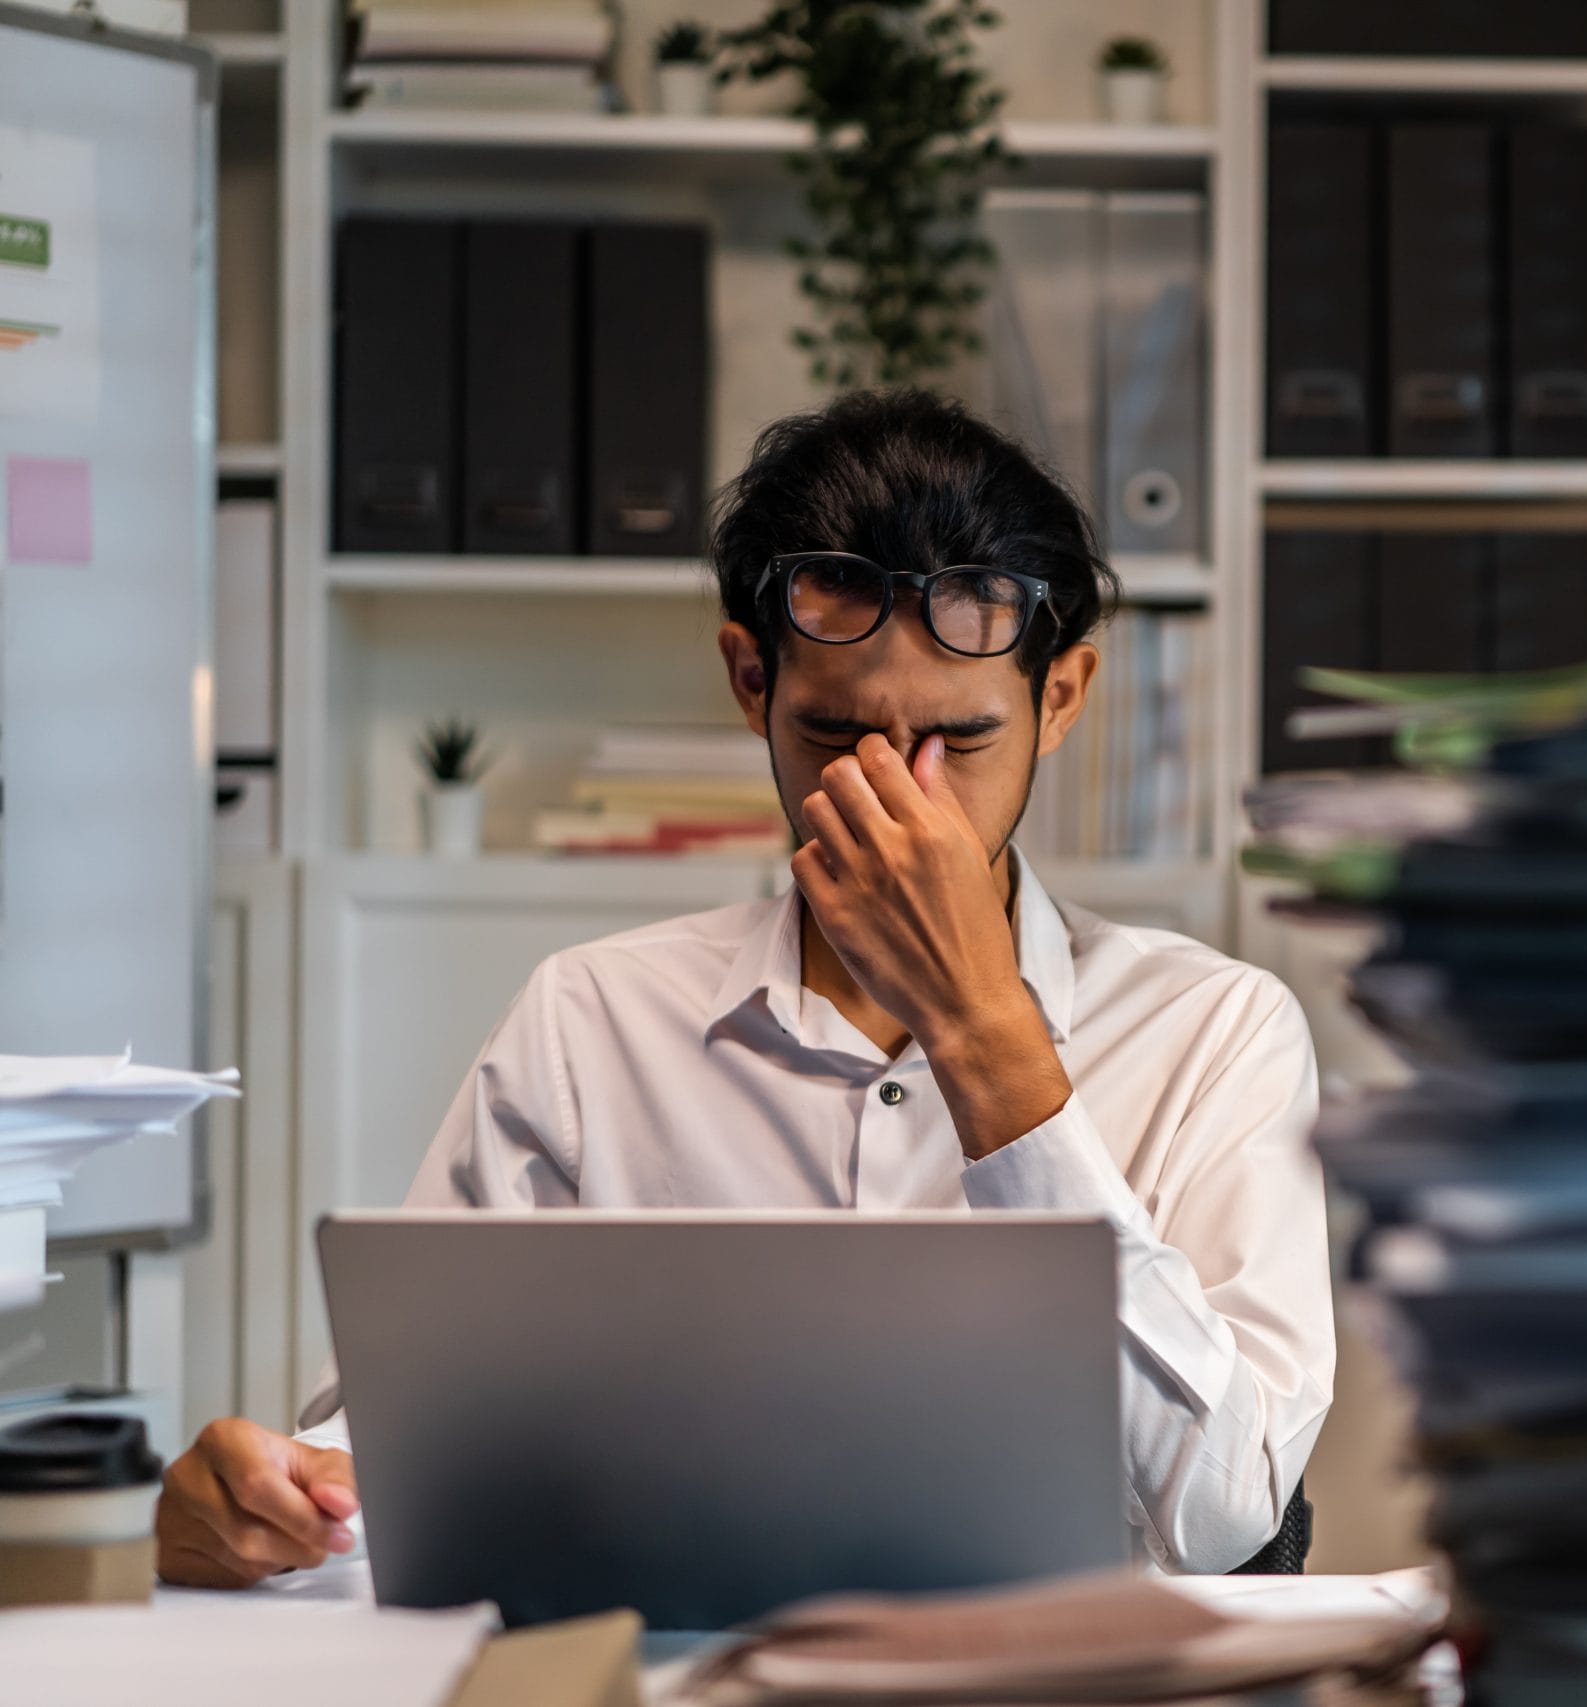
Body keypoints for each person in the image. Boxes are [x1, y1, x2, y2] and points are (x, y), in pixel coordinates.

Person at [155, 390, 1334, 1588]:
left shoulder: (1217, 1034)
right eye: (833, 734)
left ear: (1062, 699)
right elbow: (406, 1464)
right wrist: (268, 1512)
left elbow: (1231, 1515)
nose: (897, 795)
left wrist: (985, 1035)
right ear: (749, 682)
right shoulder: (592, 1022)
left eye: (961, 742)